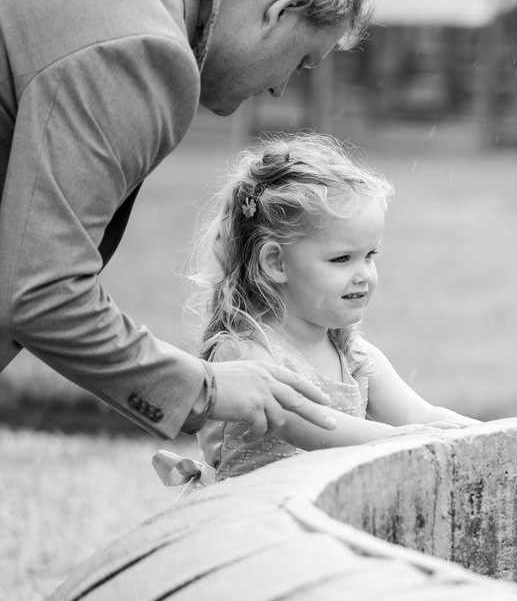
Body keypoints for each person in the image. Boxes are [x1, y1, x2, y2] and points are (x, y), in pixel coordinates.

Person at [0, 0, 374, 440]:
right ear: (284, 9)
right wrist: (204, 388)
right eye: (302, 60)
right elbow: (40, 293)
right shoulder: (144, 48)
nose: (280, 88)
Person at [188, 134, 478, 480]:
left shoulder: (354, 356)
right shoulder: (246, 353)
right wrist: (400, 439)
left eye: (369, 255)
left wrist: (485, 435)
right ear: (276, 263)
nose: (364, 275)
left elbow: (422, 415)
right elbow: (308, 425)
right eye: (342, 259)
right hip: (252, 510)